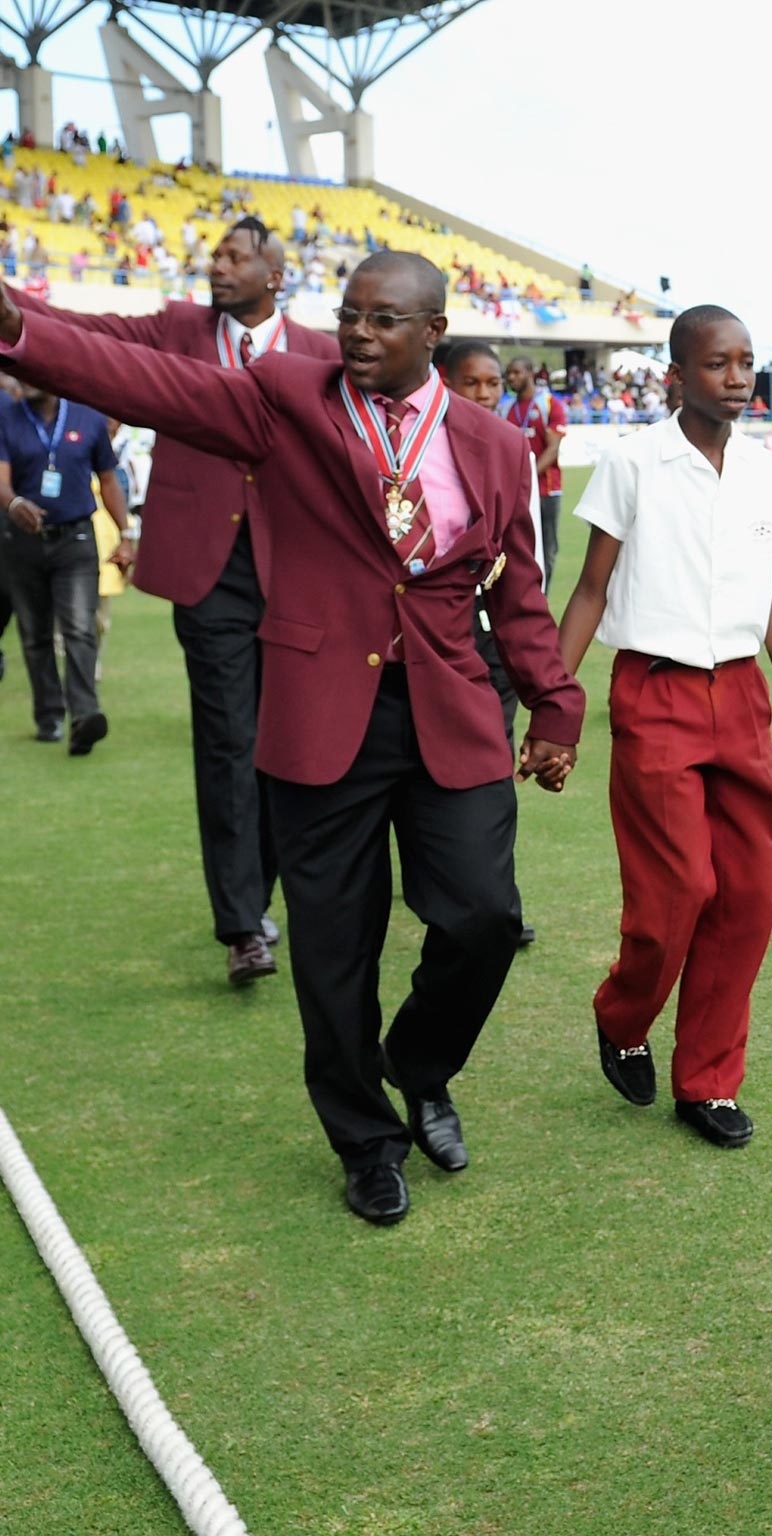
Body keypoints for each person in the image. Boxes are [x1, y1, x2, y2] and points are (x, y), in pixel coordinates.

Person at [0, 251, 584, 1227]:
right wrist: (19, 329)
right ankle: (365, 1141)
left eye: (383, 319)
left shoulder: (490, 445)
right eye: (348, 313)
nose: (356, 333)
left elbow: (517, 593)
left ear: (432, 333)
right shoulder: (284, 398)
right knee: (333, 950)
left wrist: (555, 705)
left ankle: (419, 1064)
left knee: (483, 917)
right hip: (319, 711)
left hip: (450, 708)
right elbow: (152, 383)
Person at [9, 216, 339, 985]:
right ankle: (242, 924)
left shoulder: (324, 354)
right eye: (214, 255)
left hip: (300, 576)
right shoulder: (178, 329)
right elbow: (86, 332)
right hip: (210, 574)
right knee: (227, 738)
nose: (216, 266)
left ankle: (265, 890)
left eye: (235, 257)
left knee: (282, 743)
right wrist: (13, 310)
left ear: (275, 276)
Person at [556, 304, 772, 1150]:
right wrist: (555, 708)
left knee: (747, 899)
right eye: (718, 363)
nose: (738, 377)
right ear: (676, 374)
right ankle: (624, 1013)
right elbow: (592, 590)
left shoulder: (766, 473)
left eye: (748, 362)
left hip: (740, 698)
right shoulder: (633, 463)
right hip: (655, 692)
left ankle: (708, 1083)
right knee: (680, 891)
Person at [441, 337, 543, 948]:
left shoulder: (513, 450)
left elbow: (522, 557)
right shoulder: (415, 451)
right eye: (469, 383)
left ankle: (500, 901)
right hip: (433, 638)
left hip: (491, 636)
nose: (483, 394)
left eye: (492, 383)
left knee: (491, 773)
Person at [0, 382, 131, 750]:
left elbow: (108, 479)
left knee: (79, 628)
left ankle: (85, 715)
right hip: (21, 541)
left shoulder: (88, 417)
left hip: (75, 540)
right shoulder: (6, 416)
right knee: (35, 633)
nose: (18, 380)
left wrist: (126, 532)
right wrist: (12, 505)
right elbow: (1, 477)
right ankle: (49, 715)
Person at [504, 355, 566, 589]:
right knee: (517, 548)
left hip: (546, 490)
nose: (512, 377)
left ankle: (542, 598)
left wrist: (526, 477)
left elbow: (553, 450)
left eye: (517, 372)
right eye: (509, 373)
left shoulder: (549, 404)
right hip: (515, 492)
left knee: (547, 548)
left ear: (530, 373)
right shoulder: (507, 408)